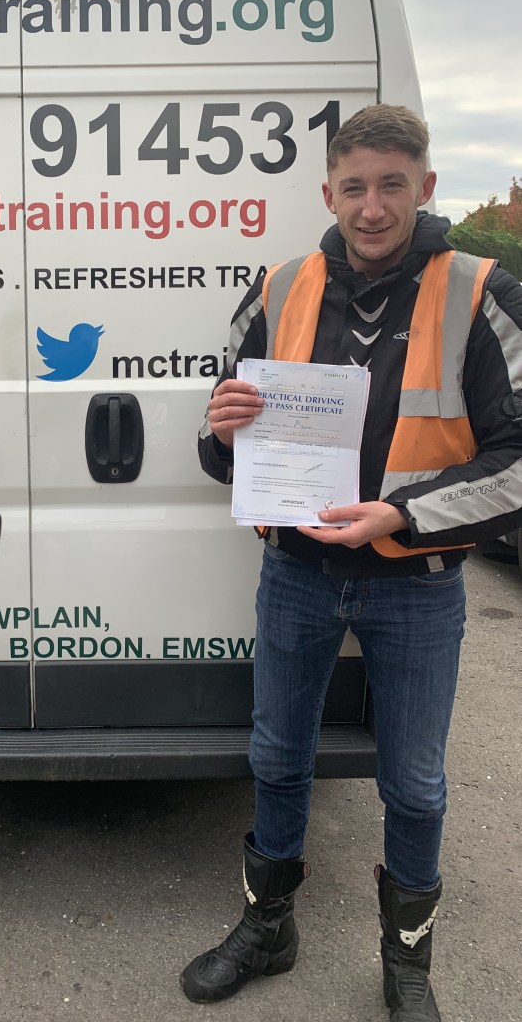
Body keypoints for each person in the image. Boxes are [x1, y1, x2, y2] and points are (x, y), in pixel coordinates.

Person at [182, 104, 522, 1019]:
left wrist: (401, 515)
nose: (372, 207)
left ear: (426, 187)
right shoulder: (279, 286)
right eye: (355, 187)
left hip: (417, 587)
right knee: (276, 757)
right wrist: (222, 432)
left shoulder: (481, 291)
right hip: (295, 573)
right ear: (328, 191)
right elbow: (219, 448)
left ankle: (406, 961)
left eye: (392, 186)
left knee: (414, 784)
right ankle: (268, 928)